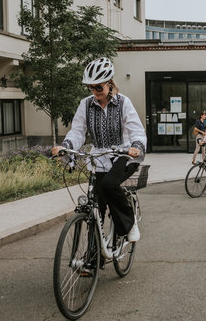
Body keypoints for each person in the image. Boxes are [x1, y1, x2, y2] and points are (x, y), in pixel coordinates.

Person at [52, 57, 146, 242]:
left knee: (109, 185)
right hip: (99, 158)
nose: (94, 92)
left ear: (110, 84)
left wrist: (136, 147)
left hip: (124, 156)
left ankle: (129, 223)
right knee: (96, 205)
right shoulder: (85, 105)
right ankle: (91, 261)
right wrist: (66, 146)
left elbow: (137, 130)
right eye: (91, 88)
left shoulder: (123, 103)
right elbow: (77, 131)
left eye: (98, 87)